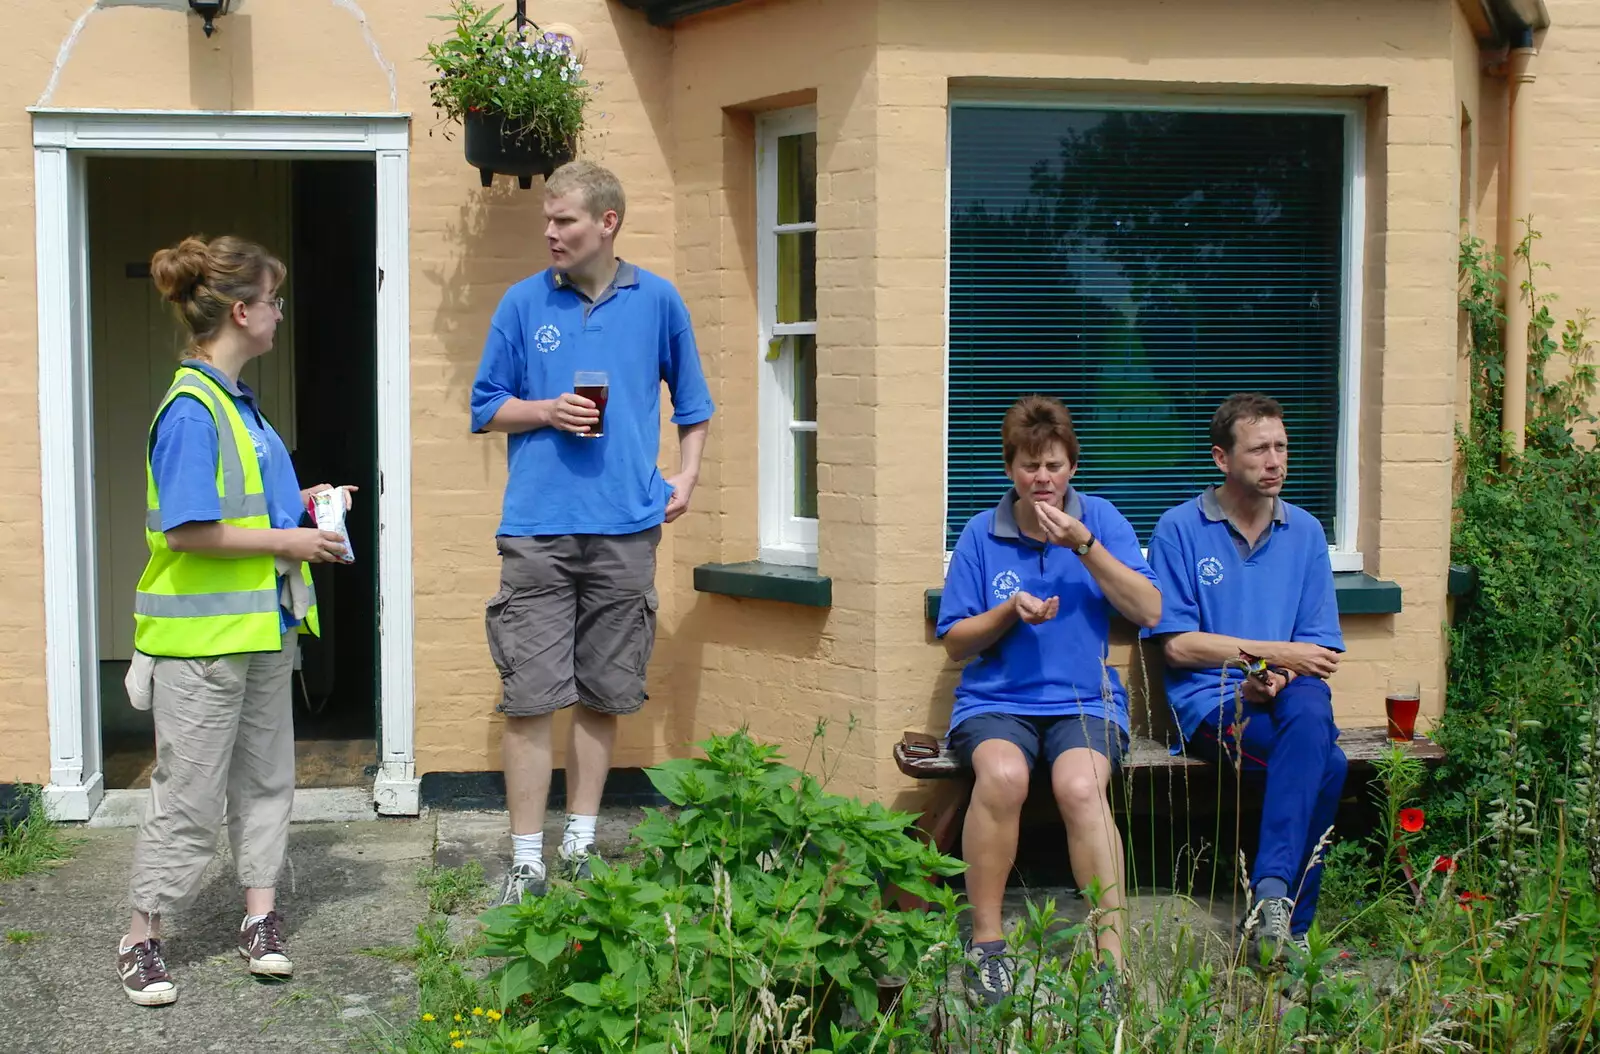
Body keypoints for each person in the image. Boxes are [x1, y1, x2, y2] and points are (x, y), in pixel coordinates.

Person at [117, 235, 356, 1006]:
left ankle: (260, 919)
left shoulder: (239, 405)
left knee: (265, 785)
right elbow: (189, 530)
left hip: (259, 632)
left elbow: (245, 510)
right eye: (275, 302)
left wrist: (306, 507)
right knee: (187, 797)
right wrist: (288, 538)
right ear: (243, 311)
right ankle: (141, 937)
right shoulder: (193, 410)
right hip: (201, 646)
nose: (282, 315)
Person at [471, 160, 714, 906]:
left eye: (564, 221)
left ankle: (578, 842)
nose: (550, 233)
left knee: (605, 692)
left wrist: (687, 477)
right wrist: (545, 411)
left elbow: (695, 404)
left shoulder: (659, 301)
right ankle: (524, 860)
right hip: (538, 530)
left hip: (626, 529)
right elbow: (484, 406)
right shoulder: (521, 304)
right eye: (548, 220)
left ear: (606, 223)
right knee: (530, 698)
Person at [935, 395, 1162, 1008]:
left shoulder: (1102, 521)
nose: (1043, 479)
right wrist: (1007, 612)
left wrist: (1086, 546)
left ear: (1072, 469)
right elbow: (955, 642)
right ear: (1011, 469)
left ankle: (1108, 964)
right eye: (1031, 466)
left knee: (1081, 788)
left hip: (1085, 701)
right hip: (996, 700)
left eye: (1055, 466)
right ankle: (987, 947)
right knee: (1003, 776)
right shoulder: (983, 533)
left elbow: (1149, 611)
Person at [1144, 392, 1346, 966]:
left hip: (1292, 691)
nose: (1275, 460)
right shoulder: (1180, 529)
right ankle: (1290, 920)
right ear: (1222, 458)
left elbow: (1319, 651)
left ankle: (1272, 903)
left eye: (1281, 447)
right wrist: (1264, 662)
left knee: (1310, 708)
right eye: (1259, 449)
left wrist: (1277, 672)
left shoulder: (1305, 533)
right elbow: (1180, 646)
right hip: (1216, 704)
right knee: (1325, 763)